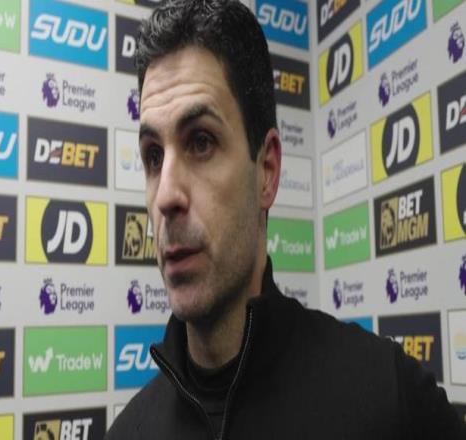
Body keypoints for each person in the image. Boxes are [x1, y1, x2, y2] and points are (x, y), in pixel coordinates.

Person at [106, 1, 466, 438]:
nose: (166, 195)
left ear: (267, 171)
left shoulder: (389, 397)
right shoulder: (127, 433)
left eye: (200, 142)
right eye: (153, 156)